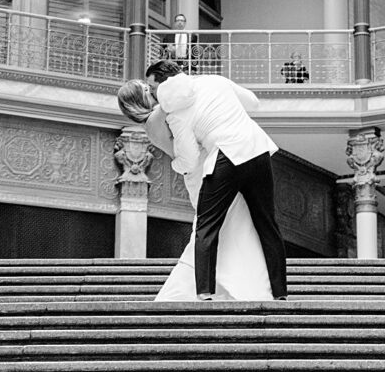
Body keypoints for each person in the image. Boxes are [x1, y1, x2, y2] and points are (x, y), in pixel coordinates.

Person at [116, 78, 275, 302]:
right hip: (204, 169)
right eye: (145, 89)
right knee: (226, 224)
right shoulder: (156, 117)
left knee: (230, 225)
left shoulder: (156, 120)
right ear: (138, 100)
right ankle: (222, 286)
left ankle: (227, 285)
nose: (152, 90)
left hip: (209, 165)